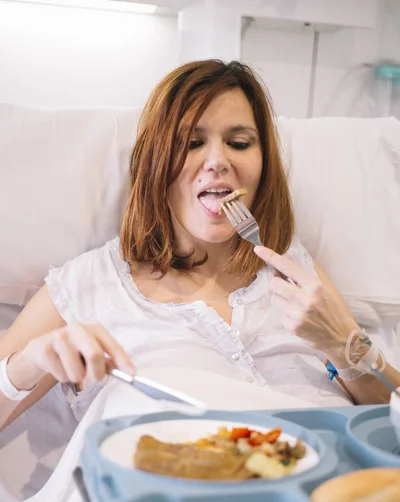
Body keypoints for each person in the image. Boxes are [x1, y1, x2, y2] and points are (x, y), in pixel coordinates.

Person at [0, 59, 399, 434]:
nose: (217, 161)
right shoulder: (88, 285)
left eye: (239, 143)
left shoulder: (295, 270)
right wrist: (32, 362)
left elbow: (388, 415)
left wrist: (343, 343)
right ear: (155, 162)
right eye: (191, 142)